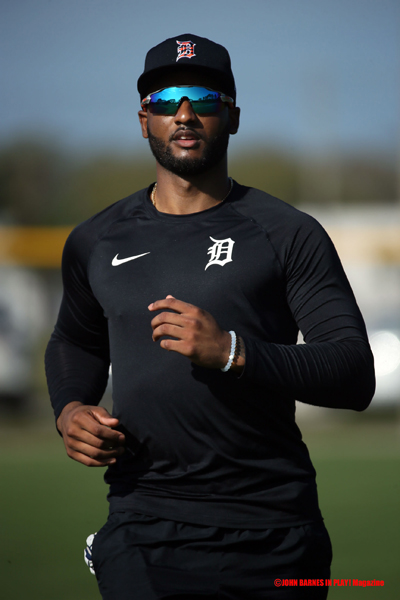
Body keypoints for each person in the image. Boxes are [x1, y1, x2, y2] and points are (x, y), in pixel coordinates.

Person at [45, 33, 375, 600]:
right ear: (144, 120)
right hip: (143, 521)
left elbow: (353, 374)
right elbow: (75, 340)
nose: (184, 113)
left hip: (274, 528)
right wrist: (70, 409)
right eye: (165, 99)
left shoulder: (288, 233)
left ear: (233, 117)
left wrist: (232, 352)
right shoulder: (95, 240)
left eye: (203, 98)